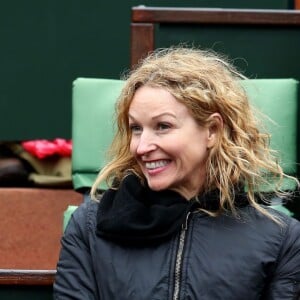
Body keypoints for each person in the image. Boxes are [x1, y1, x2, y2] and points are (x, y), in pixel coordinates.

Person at [54, 47, 300, 299]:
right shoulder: (89, 225)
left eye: (162, 126)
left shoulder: (282, 239)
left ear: (212, 131)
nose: (142, 146)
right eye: (136, 128)